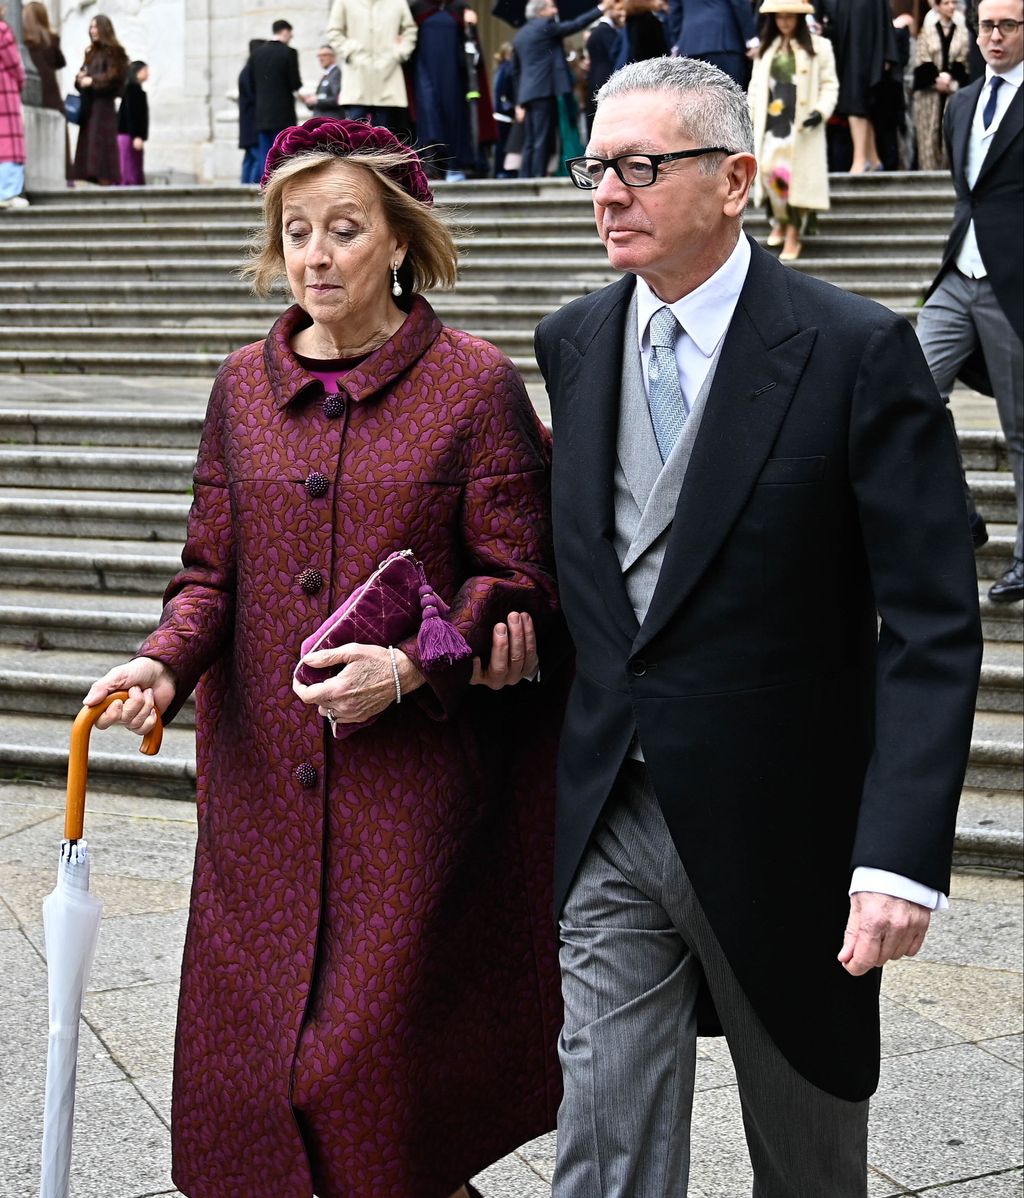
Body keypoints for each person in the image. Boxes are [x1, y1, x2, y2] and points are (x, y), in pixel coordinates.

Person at [82, 115, 566, 1198]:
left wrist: (409, 663)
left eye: (343, 228)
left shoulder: (473, 386)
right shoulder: (239, 392)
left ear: (398, 239)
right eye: (296, 229)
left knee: (373, 1086)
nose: (315, 253)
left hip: (415, 805)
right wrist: (161, 664)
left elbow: (525, 582)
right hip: (260, 809)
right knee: (258, 1088)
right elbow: (207, 573)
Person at [539, 56, 982, 1194]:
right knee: (602, 1149)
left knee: (807, 1163)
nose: (606, 193)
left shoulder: (854, 350)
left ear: (735, 179)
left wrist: (898, 856)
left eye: (640, 166)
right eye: (596, 165)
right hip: (615, 818)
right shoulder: (573, 341)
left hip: (796, 838)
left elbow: (930, 623)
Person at [916, 0, 1023, 603]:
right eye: (987, 25)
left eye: (1008, 25)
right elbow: (968, 195)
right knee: (912, 391)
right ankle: (962, 515)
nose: (994, 36)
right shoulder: (961, 103)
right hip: (959, 273)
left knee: (1021, 427)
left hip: (1014, 283)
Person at [749, 0, 838, 262]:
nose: (785, 22)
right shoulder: (767, 49)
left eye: (790, 17)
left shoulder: (819, 47)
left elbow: (829, 84)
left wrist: (820, 111)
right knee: (767, 173)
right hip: (773, 123)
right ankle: (779, 218)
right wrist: (749, 117)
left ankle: (792, 233)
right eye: (780, 17)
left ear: (799, 19)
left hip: (801, 126)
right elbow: (755, 88)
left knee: (793, 180)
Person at [511, 0, 606, 179]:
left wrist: (518, 101)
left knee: (531, 139)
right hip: (544, 90)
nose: (555, 10)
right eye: (551, 7)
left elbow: (515, 72)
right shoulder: (546, 26)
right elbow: (576, 25)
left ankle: (526, 175)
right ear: (541, 12)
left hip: (527, 93)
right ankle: (536, 176)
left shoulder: (520, 35)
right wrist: (601, 8)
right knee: (542, 137)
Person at [821, 0, 900, 171]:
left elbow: (884, 18)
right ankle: (873, 159)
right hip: (844, 52)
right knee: (857, 102)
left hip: (866, 52)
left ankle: (860, 159)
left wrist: (887, 53)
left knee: (857, 103)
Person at [327, 0, 417, 139]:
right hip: (357, 76)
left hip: (388, 74)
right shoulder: (344, 2)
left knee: (384, 137)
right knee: (354, 135)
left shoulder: (397, 2)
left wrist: (399, 53)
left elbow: (409, 30)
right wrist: (350, 51)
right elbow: (334, 31)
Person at [913, 0, 971, 169]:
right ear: (937, 6)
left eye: (953, 2)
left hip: (953, 91)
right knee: (928, 136)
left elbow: (963, 59)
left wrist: (951, 78)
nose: (951, 6)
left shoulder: (961, 31)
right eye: (946, 3)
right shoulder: (927, 30)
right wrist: (935, 79)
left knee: (951, 134)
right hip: (929, 93)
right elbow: (921, 57)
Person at [71, 12, 128, 185]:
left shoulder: (115, 52)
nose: (92, 30)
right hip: (89, 106)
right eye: (91, 26)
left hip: (104, 107)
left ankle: (103, 181)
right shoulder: (91, 52)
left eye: (96, 26)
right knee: (88, 146)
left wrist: (92, 81)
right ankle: (88, 179)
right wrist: (80, 79)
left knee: (101, 148)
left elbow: (114, 78)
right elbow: (84, 79)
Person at [22, 0, 70, 182]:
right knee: (58, 136)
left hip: (30, 92)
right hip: (51, 93)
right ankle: (65, 174)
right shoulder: (51, 39)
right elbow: (61, 62)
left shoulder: (24, 41)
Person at [251, 20, 302, 179]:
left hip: (262, 113)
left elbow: (253, 83)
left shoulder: (257, 53)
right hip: (282, 112)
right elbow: (295, 83)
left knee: (264, 153)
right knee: (283, 151)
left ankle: (264, 186)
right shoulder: (289, 52)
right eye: (290, 33)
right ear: (285, 32)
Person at [675, 0, 759, 86]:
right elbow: (739, 4)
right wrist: (751, 40)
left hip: (689, 46)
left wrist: (676, 46)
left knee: (692, 95)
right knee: (729, 94)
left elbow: (675, 12)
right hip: (724, 42)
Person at [0, 3, 26, 209]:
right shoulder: (2, 30)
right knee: (9, 140)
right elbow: (14, 63)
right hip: (4, 93)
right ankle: (7, 192)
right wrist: (20, 80)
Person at [584, 0, 624, 133]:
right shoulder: (605, 31)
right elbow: (616, 56)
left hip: (595, 79)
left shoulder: (597, 30)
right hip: (604, 80)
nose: (622, 14)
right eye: (619, 10)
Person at [238, 38, 265, 185]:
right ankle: (252, 187)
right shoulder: (250, 71)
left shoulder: (246, 70)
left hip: (248, 122)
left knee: (249, 158)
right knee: (256, 157)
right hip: (253, 121)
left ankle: (245, 184)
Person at [117, 60, 148, 186]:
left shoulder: (135, 90)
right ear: (137, 73)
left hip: (129, 135)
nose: (147, 73)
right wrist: (136, 136)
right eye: (145, 70)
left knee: (133, 166)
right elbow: (133, 114)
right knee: (129, 169)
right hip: (128, 136)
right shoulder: (132, 90)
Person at [301, 43, 343, 117]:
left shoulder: (336, 74)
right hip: (321, 120)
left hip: (330, 121)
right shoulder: (327, 75)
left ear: (333, 57)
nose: (321, 59)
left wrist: (317, 100)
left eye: (324, 55)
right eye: (319, 56)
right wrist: (309, 101)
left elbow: (337, 99)